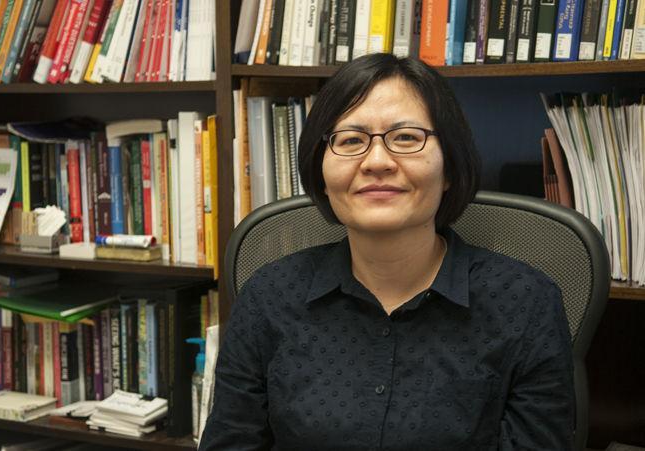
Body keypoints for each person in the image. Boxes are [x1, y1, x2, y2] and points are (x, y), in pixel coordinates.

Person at [198, 53, 574, 450]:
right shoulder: (269, 297)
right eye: (351, 140)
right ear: (321, 174)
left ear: (449, 168)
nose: (377, 161)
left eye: (406, 138)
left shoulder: (526, 304)